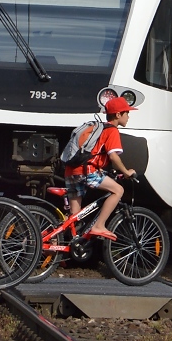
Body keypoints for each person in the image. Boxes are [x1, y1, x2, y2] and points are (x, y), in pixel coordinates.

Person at [63, 95, 138, 240]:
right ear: (118, 114)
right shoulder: (112, 130)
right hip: (86, 172)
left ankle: (56, 241)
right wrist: (126, 172)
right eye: (127, 113)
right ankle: (99, 225)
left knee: (74, 217)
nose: (128, 116)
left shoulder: (98, 128)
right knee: (118, 190)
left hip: (71, 171)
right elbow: (113, 156)